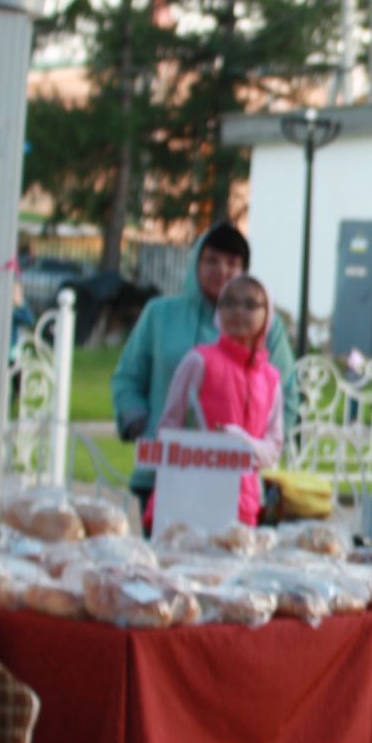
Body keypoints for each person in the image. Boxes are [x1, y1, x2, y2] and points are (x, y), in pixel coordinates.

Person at [112, 222, 296, 526]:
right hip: (166, 472)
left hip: (237, 486)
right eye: (211, 260)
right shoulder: (160, 314)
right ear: (195, 262)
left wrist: (260, 452)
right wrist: (141, 424)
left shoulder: (266, 327)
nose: (221, 270)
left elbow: (284, 392)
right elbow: (128, 377)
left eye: (232, 263)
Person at [152, 275, 283, 528]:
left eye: (249, 305)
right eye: (229, 303)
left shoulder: (271, 379)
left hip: (245, 506)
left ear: (267, 314)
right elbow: (169, 428)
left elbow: (273, 447)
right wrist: (206, 449)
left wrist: (243, 444)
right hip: (191, 499)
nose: (238, 312)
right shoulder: (198, 361)